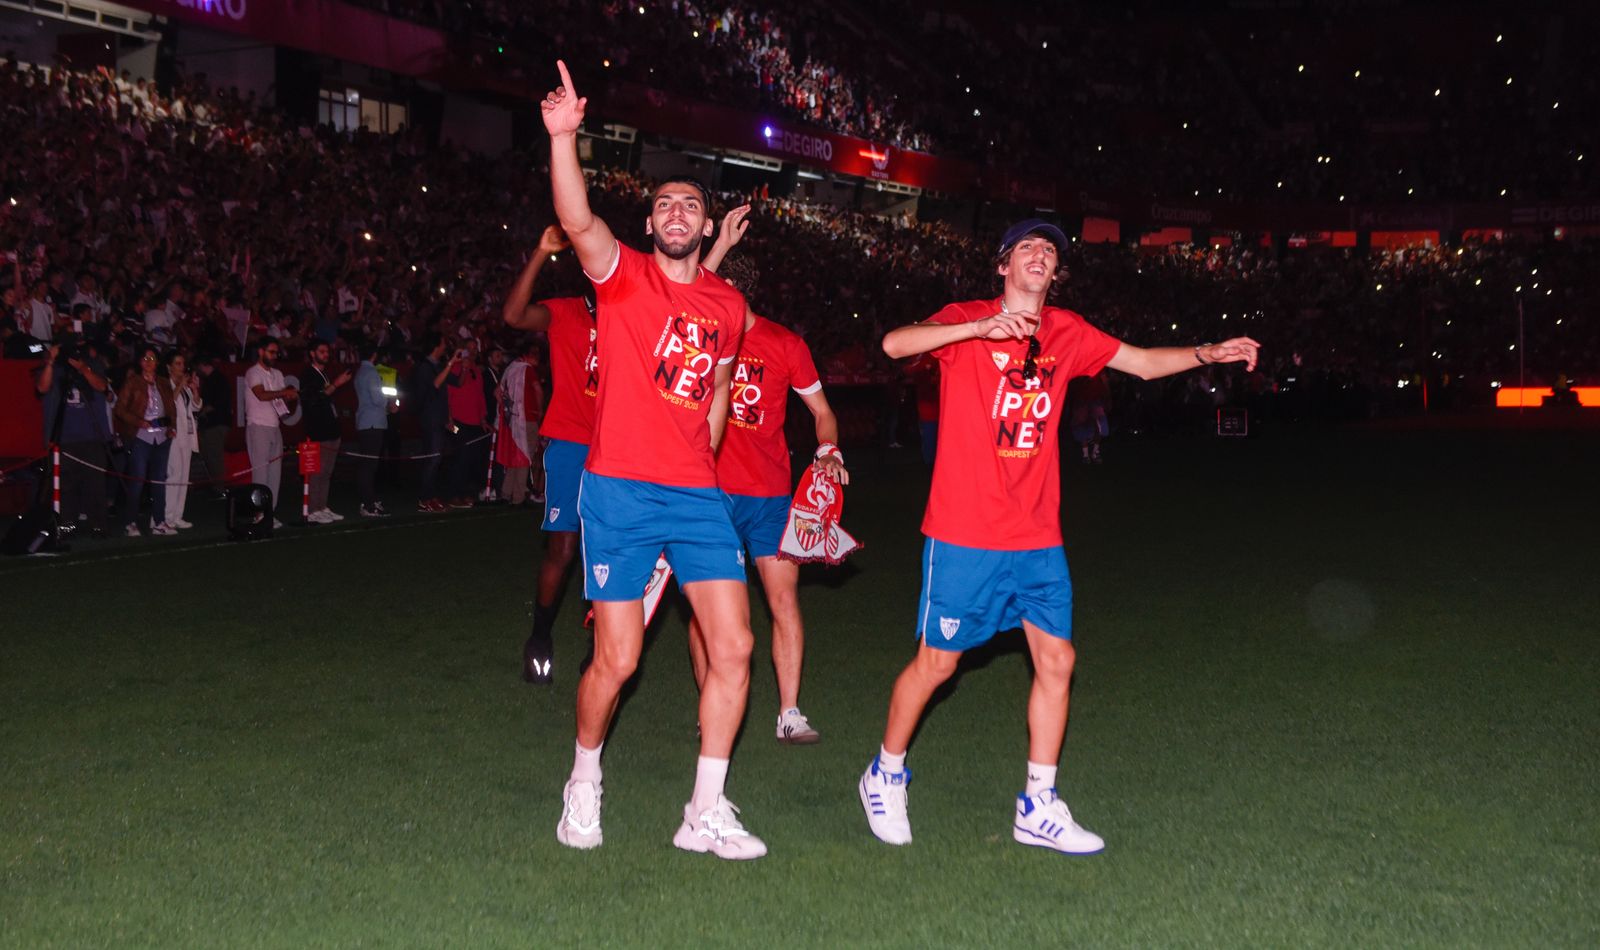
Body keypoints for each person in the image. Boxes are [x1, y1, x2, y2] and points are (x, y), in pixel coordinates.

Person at [858, 219, 1261, 854]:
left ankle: (1037, 804)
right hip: (965, 532)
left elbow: (1142, 364)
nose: (1042, 255)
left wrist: (1206, 353)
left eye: (1051, 250)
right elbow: (893, 345)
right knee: (937, 664)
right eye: (1028, 247)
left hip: (1038, 535)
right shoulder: (965, 318)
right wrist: (976, 329)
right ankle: (884, 773)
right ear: (1002, 265)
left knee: (1058, 660)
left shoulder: (1067, 332)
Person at [542, 61, 764, 859]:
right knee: (621, 659)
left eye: (690, 205)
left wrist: (700, 466)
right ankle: (584, 781)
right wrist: (565, 139)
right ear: (651, 224)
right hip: (619, 496)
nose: (676, 212)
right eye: (664, 203)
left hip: (696, 497)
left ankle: (703, 811)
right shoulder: (623, 279)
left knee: (736, 648)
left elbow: (715, 396)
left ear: (706, 229)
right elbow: (577, 221)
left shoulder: (729, 306)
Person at [691, 206, 848, 745]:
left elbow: (822, 411)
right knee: (705, 610)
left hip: (771, 497)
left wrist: (827, 450)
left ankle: (790, 712)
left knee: (784, 603)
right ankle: (709, 706)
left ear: (736, 289)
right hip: (708, 494)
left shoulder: (785, 344)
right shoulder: (699, 338)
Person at [502, 223, 587, 685]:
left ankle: (601, 650)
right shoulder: (565, 312)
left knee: (611, 551)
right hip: (572, 442)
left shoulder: (630, 313)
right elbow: (514, 315)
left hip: (620, 445)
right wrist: (539, 251)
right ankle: (540, 636)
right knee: (564, 547)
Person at [33, 338, 110, 537]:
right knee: (66, 488)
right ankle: (67, 525)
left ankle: (98, 525)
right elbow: (42, 388)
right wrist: (50, 361)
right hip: (64, 440)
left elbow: (102, 386)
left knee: (96, 485)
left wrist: (83, 368)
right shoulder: (56, 369)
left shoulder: (91, 366)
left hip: (92, 437)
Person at [113, 345, 177, 536]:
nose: (149, 362)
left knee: (159, 480)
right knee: (138, 480)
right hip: (141, 437)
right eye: (146, 359)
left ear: (158, 362)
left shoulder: (164, 383)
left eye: (153, 359)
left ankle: (159, 521)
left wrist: (172, 427)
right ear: (140, 362)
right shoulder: (132, 382)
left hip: (162, 436)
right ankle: (130, 522)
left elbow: (171, 407)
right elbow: (119, 409)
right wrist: (138, 422)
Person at [243, 341, 296, 527]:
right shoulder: (253, 372)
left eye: (276, 353)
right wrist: (283, 392)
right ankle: (258, 513)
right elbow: (261, 395)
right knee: (260, 472)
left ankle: (269, 511)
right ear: (260, 351)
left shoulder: (278, 374)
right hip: (258, 425)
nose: (274, 356)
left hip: (275, 426)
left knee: (275, 473)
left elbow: (280, 399)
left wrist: (288, 396)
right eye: (271, 352)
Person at [300, 339, 352, 523]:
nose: (326, 354)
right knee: (317, 472)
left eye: (327, 351)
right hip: (318, 430)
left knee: (327, 472)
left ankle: (322, 506)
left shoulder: (324, 374)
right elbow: (315, 399)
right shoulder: (308, 375)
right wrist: (336, 384)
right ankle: (313, 509)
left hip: (331, 429)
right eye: (321, 351)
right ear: (312, 353)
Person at [496, 339, 545, 506]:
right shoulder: (528, 370)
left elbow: (498, 392)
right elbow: (538, 390)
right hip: (527, 419)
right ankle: (518, 497)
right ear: (529, 356)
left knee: (514, 457)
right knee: (525, 457)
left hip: (512, 420)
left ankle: (506, 492)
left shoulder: (510, 369)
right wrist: (540, 412)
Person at [408, 334, 451, 513]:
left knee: (437, 459)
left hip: (440, 418)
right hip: (430, 419)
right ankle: (424, 498)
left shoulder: (438, 366)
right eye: (443, 344)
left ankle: (431, 495)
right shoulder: (425, 367)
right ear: (436, 346)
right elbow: (434, 386)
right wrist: (450, 365)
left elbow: (450, 387)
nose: (445, 347)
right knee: (432, 459)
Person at [443, 338, 488, 509]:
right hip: (457, 422)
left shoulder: (477, 370)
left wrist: (483, 418)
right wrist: (449, 419)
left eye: (475, 348)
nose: (473, 352)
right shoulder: (455, 368)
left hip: (475, 422)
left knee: (472, 459)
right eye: (469, 349)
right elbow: (447, 396)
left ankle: (467, 493)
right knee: (460, 457)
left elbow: (480, 397)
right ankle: (454, 494)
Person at [353, 341, 395, 517]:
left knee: (368, 465)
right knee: (369, 466)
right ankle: (368, 504)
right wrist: (389, 403)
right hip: (373, 423)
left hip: (365, 422)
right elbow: (378, 399)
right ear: (374, 355)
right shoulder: (371, 372)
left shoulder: (360, 372)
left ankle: (370, 500)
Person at [162, 351, 201, 530]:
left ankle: (178, 515)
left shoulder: (184, 386)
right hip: (174, 435)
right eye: (177, 363)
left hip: (187, 434)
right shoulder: (165, 384)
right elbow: (169, 403)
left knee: (184, 476)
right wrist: (181, 386)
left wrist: (194, 390)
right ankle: (168, 516)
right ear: (169, 367)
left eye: (182, 364)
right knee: (174, 474)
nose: (181, 367)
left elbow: (196, 406)